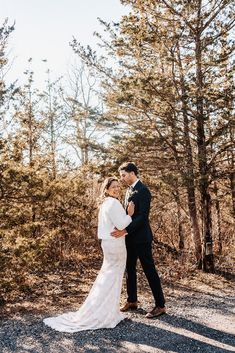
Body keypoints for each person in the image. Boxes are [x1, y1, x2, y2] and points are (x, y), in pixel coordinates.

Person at [43, 177, 135, 332]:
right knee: (112, 277)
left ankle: (107, 311)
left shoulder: (106, 203)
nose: (117, 189)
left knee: (108, 276)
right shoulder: (113, 203)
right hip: (115, 244)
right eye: (113, 187)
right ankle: (105, 313)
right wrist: (130, 214)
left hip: (108, 243)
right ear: (106, 189)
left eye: (118, 186)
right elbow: (121, 224)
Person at [111, 162, 166, 318]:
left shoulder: (143, 191)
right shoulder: (128, 190)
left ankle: (160, 305)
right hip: (129, 239)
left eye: (124, 175)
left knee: (149, 270)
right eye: (121, 176)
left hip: (141, 238)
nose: (122, 179)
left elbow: (142, 217)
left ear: (133, 173)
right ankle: (132, 300)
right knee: (129, 269)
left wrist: (125, 230)